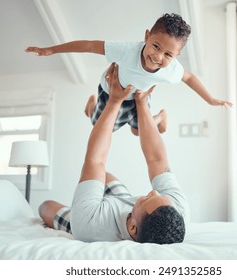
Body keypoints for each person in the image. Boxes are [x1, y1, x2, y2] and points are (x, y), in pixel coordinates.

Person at [38, 63, 189, 244]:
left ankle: (86, 201)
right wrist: (141, 102)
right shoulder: (177, 211)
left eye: (148, 198)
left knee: (44, 207)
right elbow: (157, 159)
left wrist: (114, 101)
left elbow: (95, 161)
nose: (154, 191)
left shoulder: (91, 225)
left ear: (133, 227)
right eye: (158, 195)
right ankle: (92, 195)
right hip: (123, 201)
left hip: (94, 215)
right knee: (104, 176)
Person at [26, 13, 233, 136]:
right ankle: (92, 104)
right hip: (111, 92)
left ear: (176, 55)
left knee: (137, 132)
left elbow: (188, 77)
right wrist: (51, 50)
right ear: (146, 37)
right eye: (156, 46)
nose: (158, 56)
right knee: (100, 127)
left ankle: (161, 116)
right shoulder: (126, 51)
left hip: (139, 96)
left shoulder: (171, 69)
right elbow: (89, 45)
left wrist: (210, 99)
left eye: (168, 54)